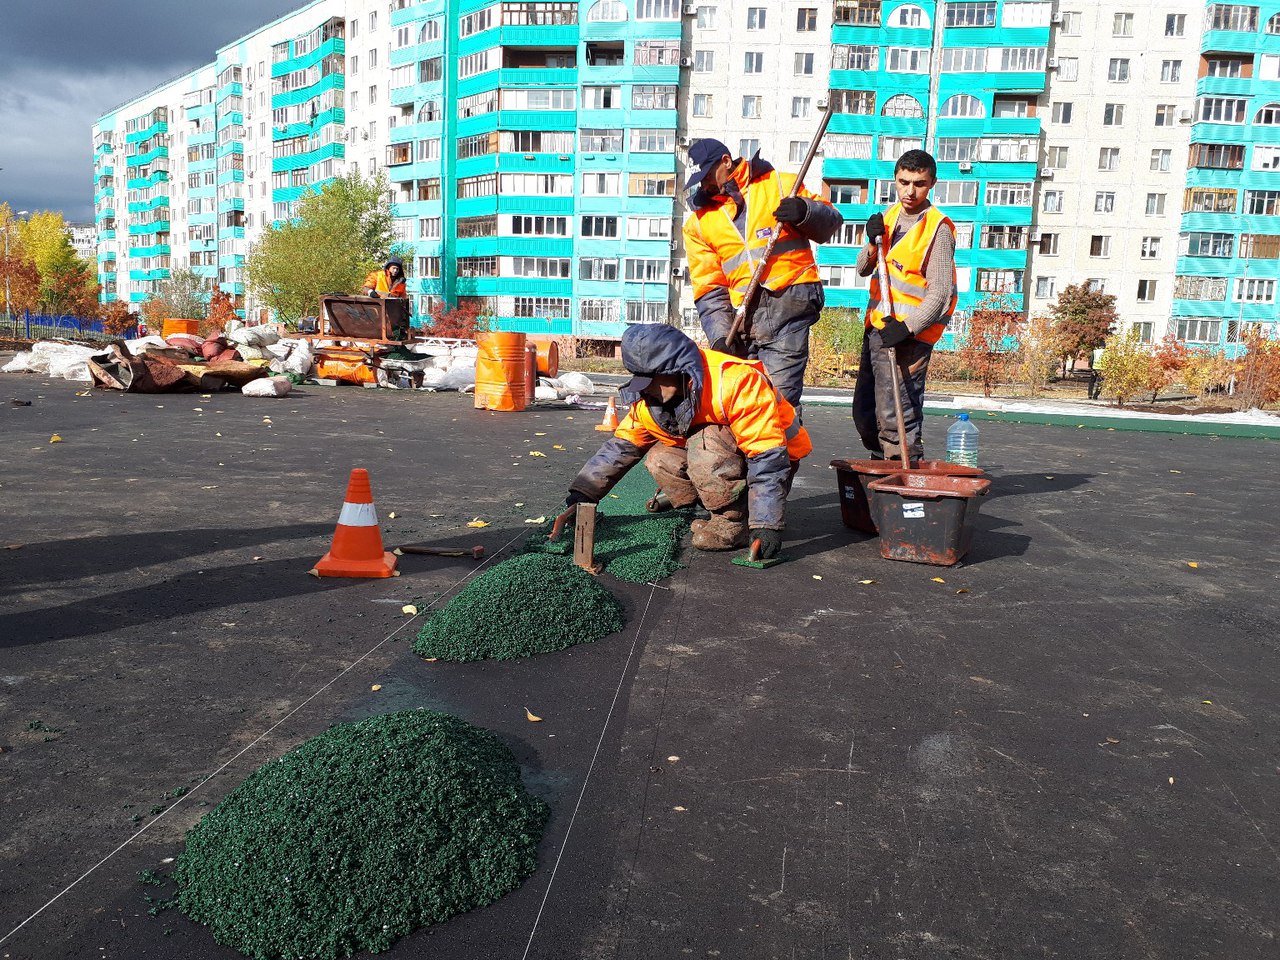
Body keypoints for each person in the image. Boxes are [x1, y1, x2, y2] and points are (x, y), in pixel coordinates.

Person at [563, 323, 811, 558]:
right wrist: (583, 494)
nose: (645, 390)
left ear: (678, 370)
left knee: (707, 443)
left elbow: (766, 454)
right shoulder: (652, 399)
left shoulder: (735, 381)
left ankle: (733, 522)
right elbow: (620, 448)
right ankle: (716, 503)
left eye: (651, 381)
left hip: (778, 459)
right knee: (661, 458)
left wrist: (766, 523)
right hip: (725, 455)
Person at [682, 139, 843, 416]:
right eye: (700, 179)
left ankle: (781, 459)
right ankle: (755, 458)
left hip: (789, 305)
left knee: (777, 402)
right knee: (745, 404)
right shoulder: (699, 223)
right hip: (744, 322)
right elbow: (709, 288)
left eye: (708, 174)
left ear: (725, 161)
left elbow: (832, 221)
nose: (705, 184)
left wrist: (805, 212)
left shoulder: (780, 185)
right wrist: (720, 336)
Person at [853, 149, 957, 463]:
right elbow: (862, 268)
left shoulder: (937, 229)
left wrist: (907, 328)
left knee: (898, 413)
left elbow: (940, 295)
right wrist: (872, 243)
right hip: (879, 328)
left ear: (932, 184)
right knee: (866, 410)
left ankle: (905, 470)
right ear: (895, 180)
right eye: (904, 182)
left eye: (919, 183)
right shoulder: (887, 218)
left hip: (910, 335)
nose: (910, 191)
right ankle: (885, 461)